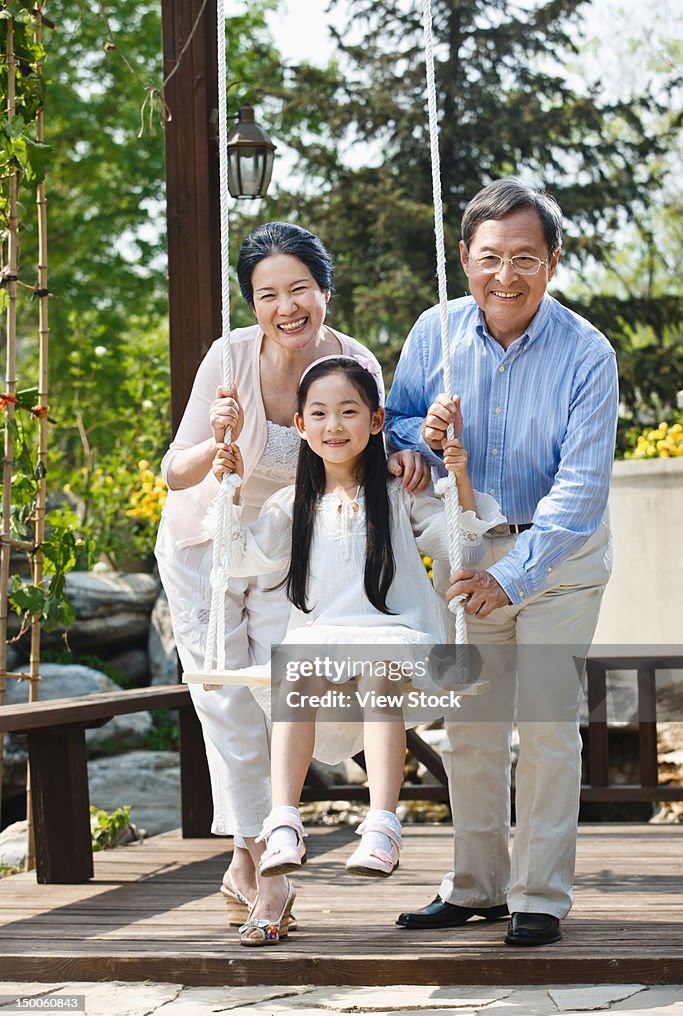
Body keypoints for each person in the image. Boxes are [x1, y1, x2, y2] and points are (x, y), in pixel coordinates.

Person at [155, 223, 429, 936]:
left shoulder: (351, 359)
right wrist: (216, 446)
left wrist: (409, 458)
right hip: (205, 548)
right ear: (251, 301)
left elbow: (380, 439)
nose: (286, 307)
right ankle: (263, 870)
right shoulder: (229, 359)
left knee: (281, 692)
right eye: (267, 294)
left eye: (299, 289)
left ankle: (254, 859)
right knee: (225, 705)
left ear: (324, 289)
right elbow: (172, 472)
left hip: (293, 544)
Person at [385, 177, 618, 946]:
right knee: (474, 727)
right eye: (489, 257)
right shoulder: (435, 331)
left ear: (552, 261)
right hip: (467, 547)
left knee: (548, 725)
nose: (504, 276)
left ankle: (540, 897)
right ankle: (476, 887)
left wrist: (507, 578)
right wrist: (422, 437)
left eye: (524, 257)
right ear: (464, 257)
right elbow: (391, 424)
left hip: (558, 562)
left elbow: (579, 493)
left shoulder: (587, 354)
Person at [211, 355, 505, 945]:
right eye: (318, 413)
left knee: (378, 673)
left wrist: (456, 476)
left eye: (349, 411)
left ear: (375, 422)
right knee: (293, 671)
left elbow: (460, 537)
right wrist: (228, 486)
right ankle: (284, 820)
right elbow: (240, 556)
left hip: (394, 634)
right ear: (299, 425)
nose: (333, 424)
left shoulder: (398, 487)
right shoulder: (291, 503)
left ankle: (382, 823)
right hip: (322, 639)